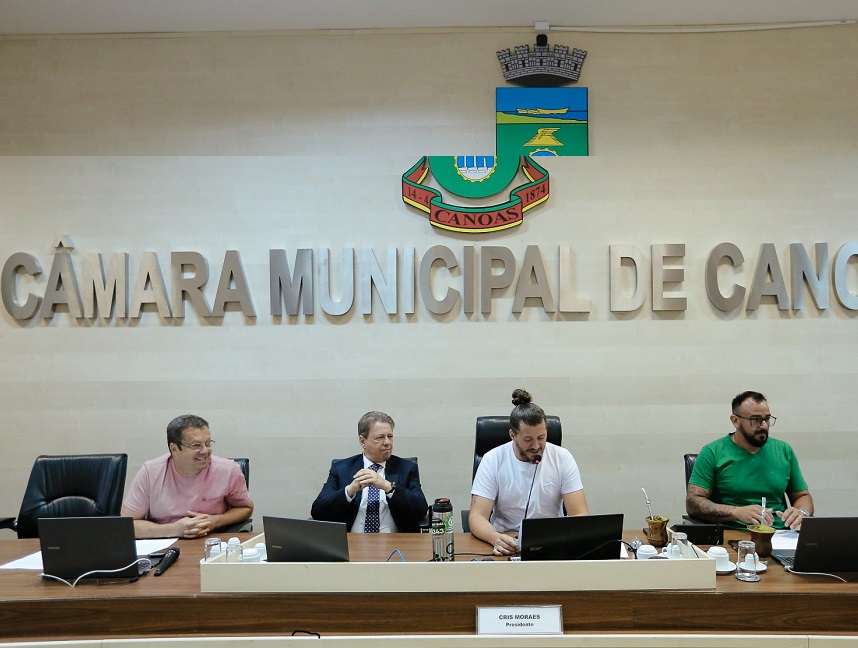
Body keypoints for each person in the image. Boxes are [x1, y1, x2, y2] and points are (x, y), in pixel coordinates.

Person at [469, 389, 590, 556]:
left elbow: (580, 514)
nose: (536, 445)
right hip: (506, 544)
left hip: (552, 543)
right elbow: (477, 517)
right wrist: (494, 538)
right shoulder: (492, 460)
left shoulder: (563, 458)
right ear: (512, 435)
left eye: (541, 437)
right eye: (528, 439)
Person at [686, 390, 814, 530]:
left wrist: (802, 512)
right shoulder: (713, 452)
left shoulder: (784, 450)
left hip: (780, 535)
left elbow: (803, 496)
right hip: (733, 534)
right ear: (735, 421)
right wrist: (736, 512)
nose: (764, 425)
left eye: (767, 419)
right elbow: (693, 502)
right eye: (756, 420)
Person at [121, 414, 254, 539]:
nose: (205, 451)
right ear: (174, 448)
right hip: (162, 544)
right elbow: (127, 525)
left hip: (210, 542)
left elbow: (246, 508)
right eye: (196, 445)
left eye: (208, 443)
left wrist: (216, 521)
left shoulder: (228, 470)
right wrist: (174, 529)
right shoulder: (151, 472)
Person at [311, 411, 428, 533]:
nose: (387, 442)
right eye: (380, 437)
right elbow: (318, 512)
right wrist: (349, 490)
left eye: (390, 436)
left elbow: (420, 510)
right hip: (352, 543)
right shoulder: (341, 469)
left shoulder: (406, 468)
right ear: (363, 441)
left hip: (395, 543)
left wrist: (388, 487)